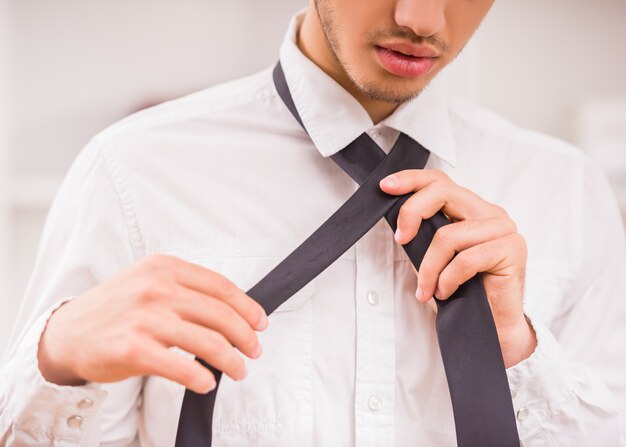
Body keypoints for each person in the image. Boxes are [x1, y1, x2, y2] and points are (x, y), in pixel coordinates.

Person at [1, 0, 625, 445]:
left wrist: (517, 352)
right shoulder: (132, 172)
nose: (422, 19)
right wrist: (60, 359)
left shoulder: (567, 193)